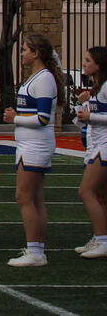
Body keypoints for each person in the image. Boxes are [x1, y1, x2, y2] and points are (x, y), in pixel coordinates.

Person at [4, 32, 67, 267]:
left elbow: (42, 118)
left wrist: (16, 119)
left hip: (36, 144)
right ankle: (37, 249)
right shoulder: (37, 77)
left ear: (36, 53)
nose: (21, 53)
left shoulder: (44, 79)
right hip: (28, 144)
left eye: (25, 49)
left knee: (24, 197)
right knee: (35, 198)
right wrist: (18, 116)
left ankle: (35, 251)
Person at [75, 45, 107, 258]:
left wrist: (91, 117)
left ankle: (103, 240)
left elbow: (96, 118)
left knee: (86, 191)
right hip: (96, 145)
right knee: (101, 195)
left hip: (104, 145)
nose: (84, 64)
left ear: (99, 64)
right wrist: (82, 109)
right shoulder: (97, 87)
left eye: (88, 60)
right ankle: (100, 238)